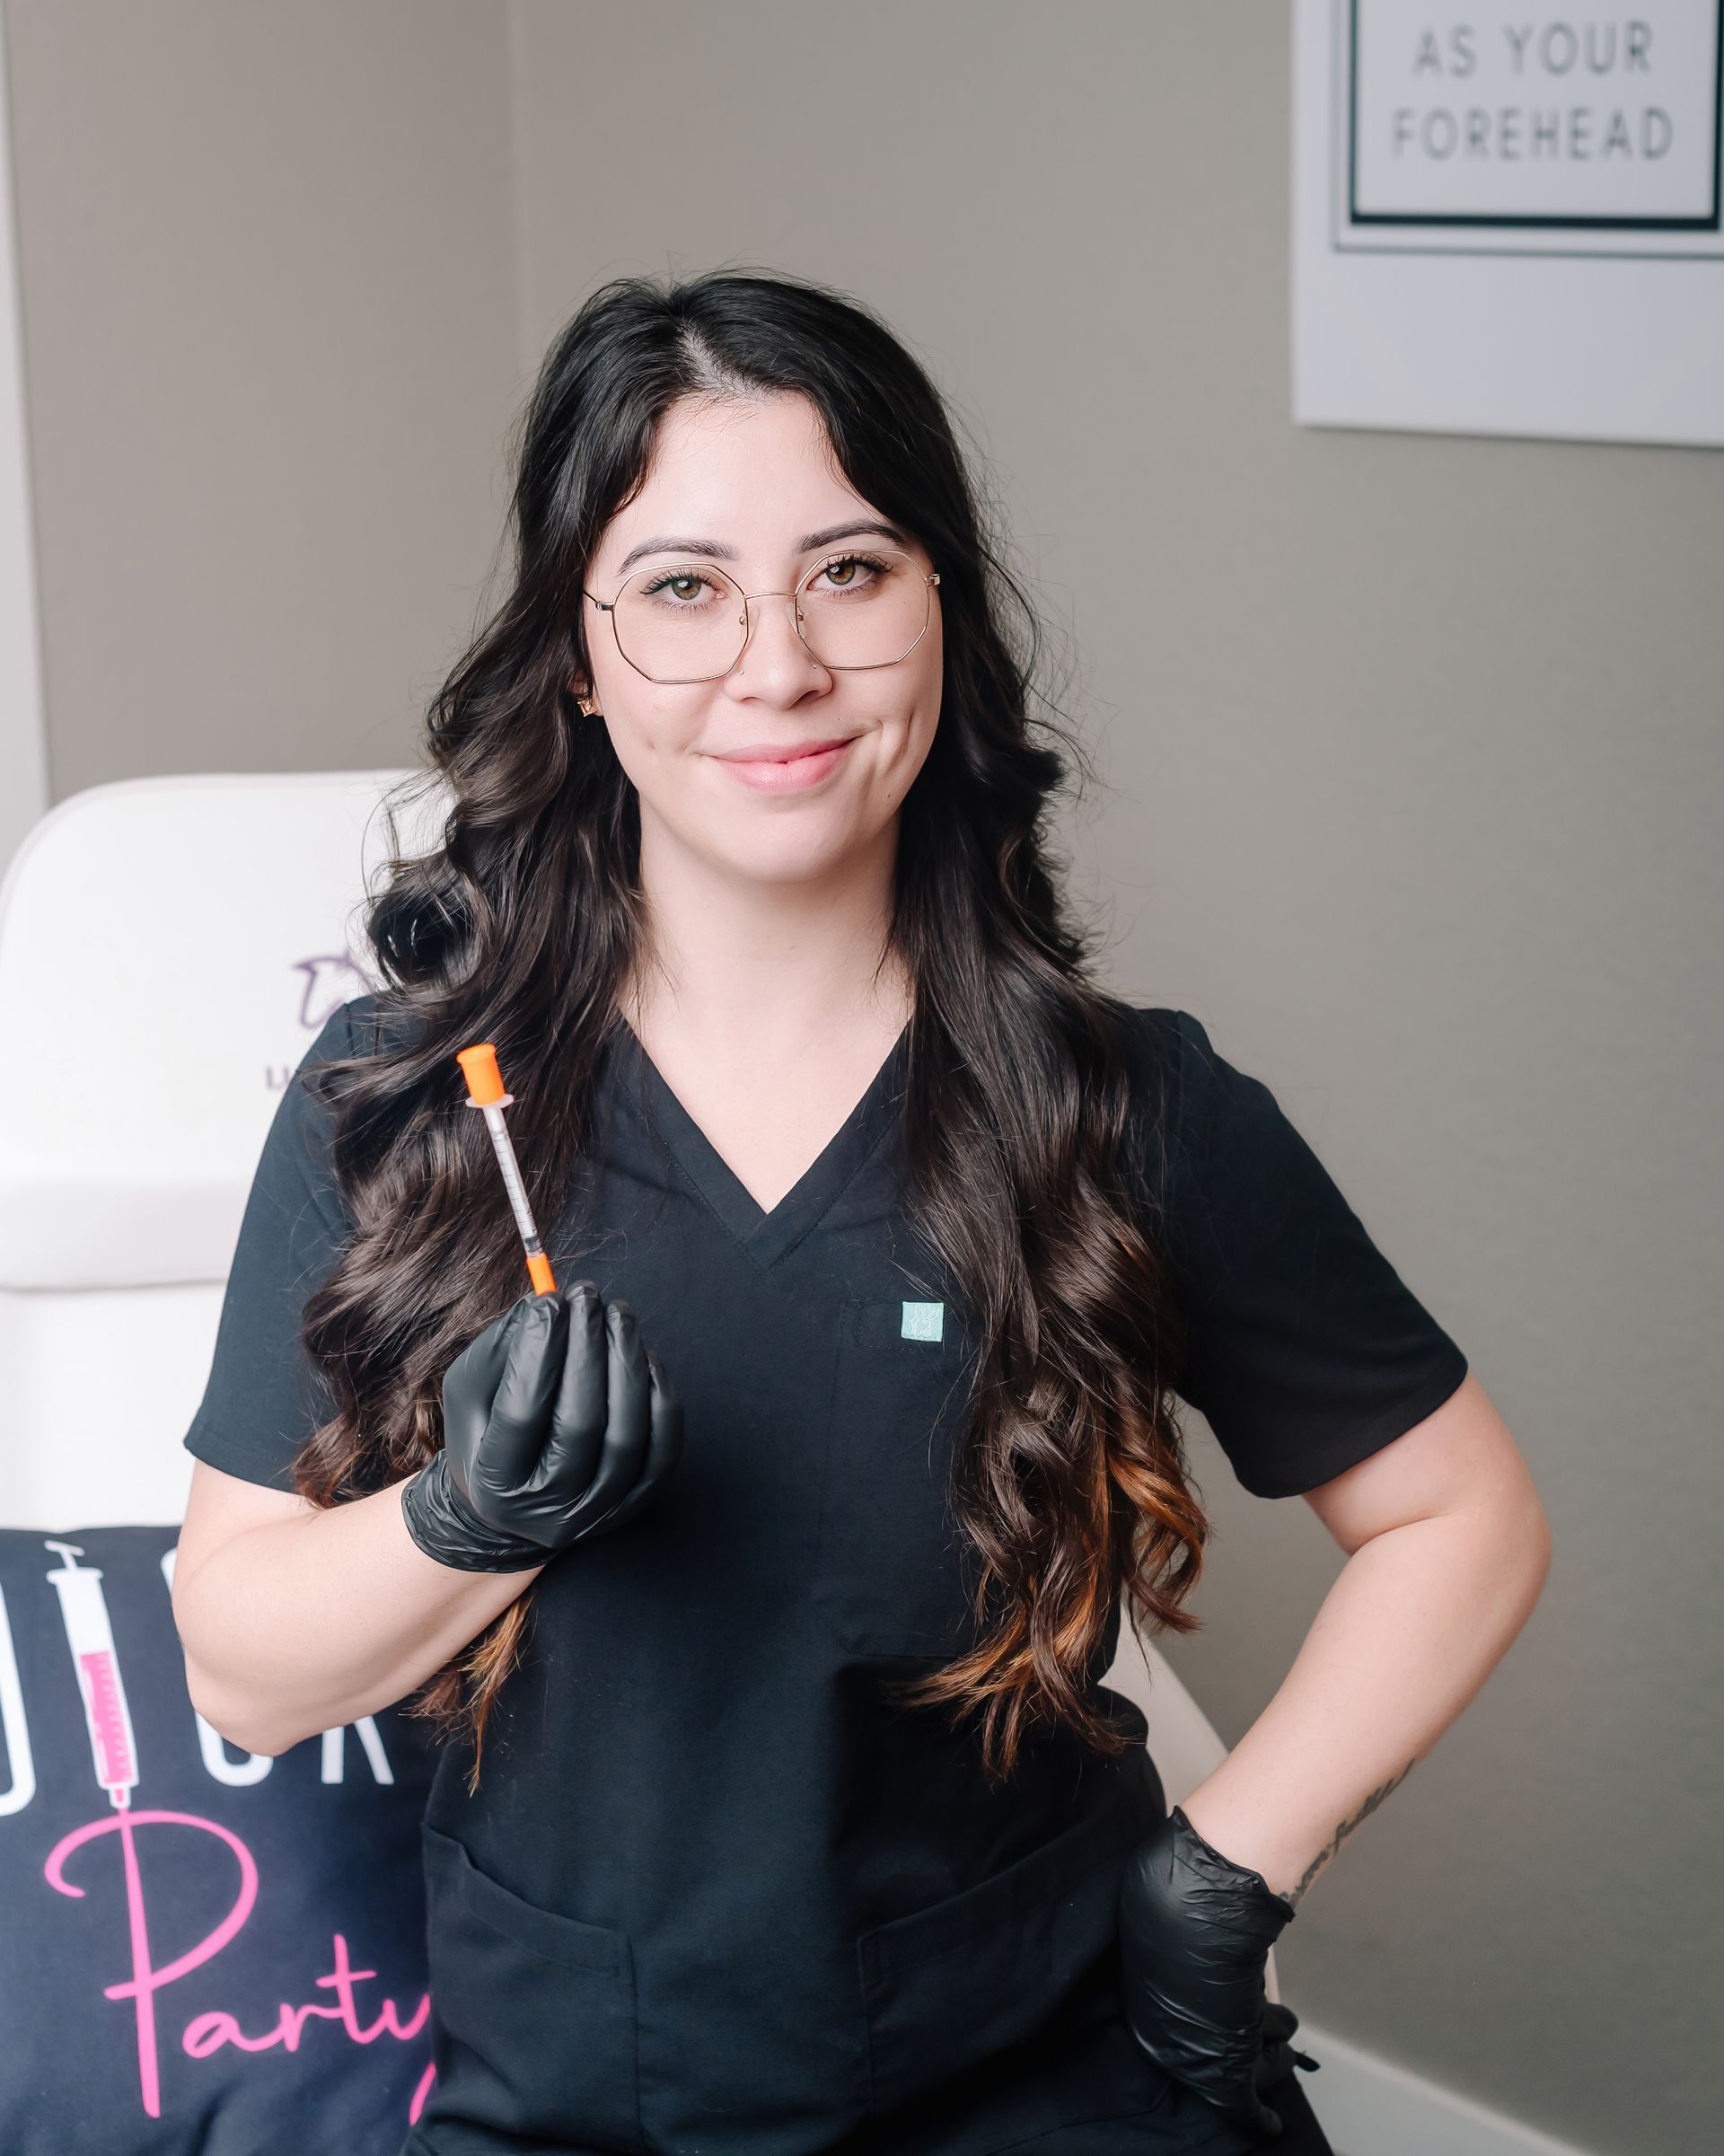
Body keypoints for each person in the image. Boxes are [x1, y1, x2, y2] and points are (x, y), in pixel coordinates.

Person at [171, 268, 1551, 2156]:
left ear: (943, 616)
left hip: (1056, 2079)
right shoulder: (407, 1107)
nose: (778, 665)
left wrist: (1225, 1868)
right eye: (680, 587)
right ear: (578, 658)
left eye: (850, 570)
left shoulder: (1127, 1105)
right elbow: (240, 1668)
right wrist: (460, 1520)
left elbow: (1457, 1513)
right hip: (588, 2099)